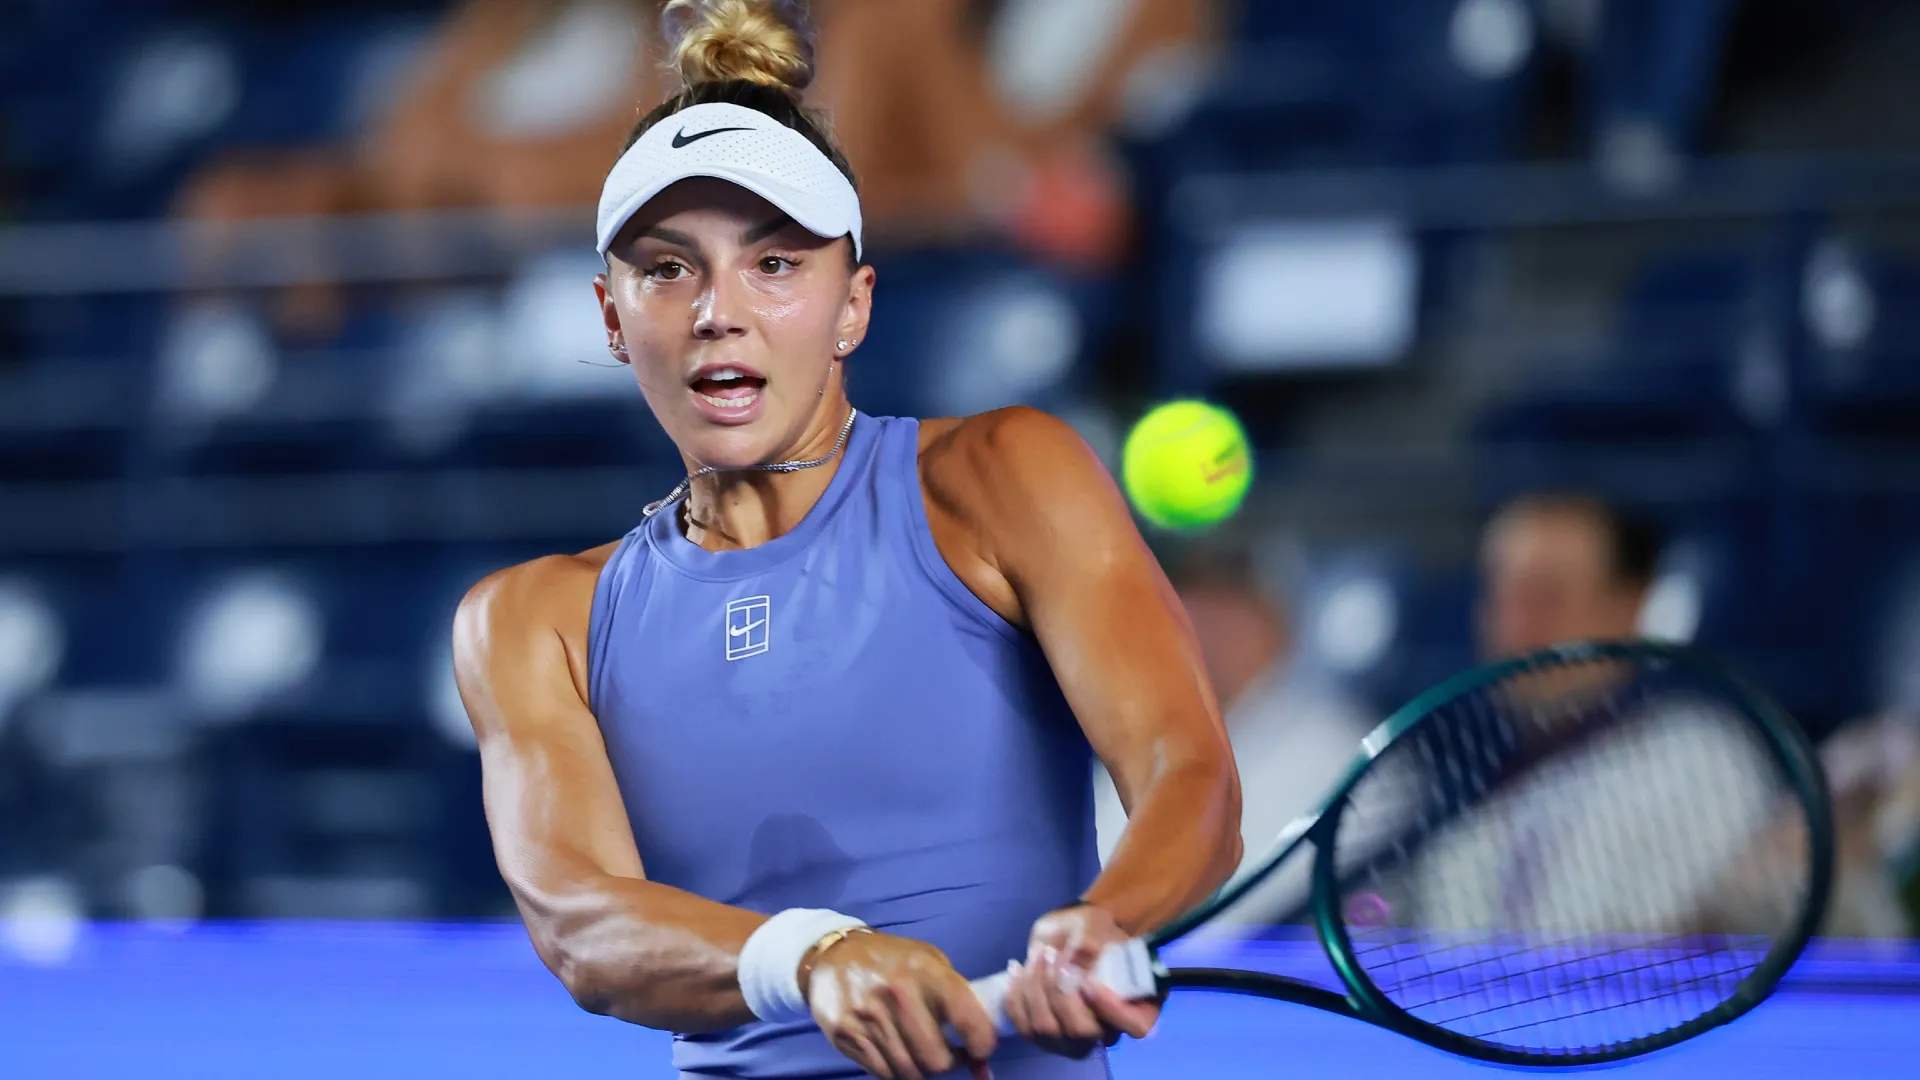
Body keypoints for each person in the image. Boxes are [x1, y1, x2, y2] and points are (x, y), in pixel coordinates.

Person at [451, 3, 1242, 1078]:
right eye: (668, 268)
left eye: (775, 264)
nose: (717, 311)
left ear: (853, 304)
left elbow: (1187, 772)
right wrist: (811, 957)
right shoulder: (529, 622)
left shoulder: (1007, 477)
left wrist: (1108, 918)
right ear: (609, 313)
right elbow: (583, 928)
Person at [1094, 544, 1373, 897]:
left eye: (1225, 611)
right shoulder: (1137, 750)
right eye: (1184, 610)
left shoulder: (1340, 745)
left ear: (1273, 620)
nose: (1204, 633)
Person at [1477, 490, 1661, 659]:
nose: (1517, 627)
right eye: (1504, 601)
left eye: (1547, 599)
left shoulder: (1683, 693)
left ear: (1629, 608)